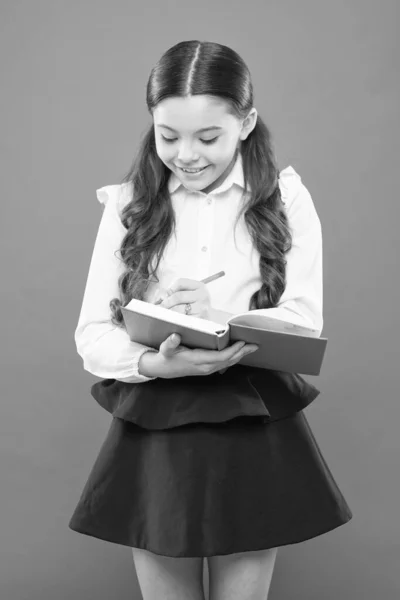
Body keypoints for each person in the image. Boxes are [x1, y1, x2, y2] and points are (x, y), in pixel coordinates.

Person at [68, 40, 352, 600]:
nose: (187, 155)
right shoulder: (128, 205)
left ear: (246, 122)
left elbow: (303, 323)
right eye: (168, 136)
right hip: (157, 415)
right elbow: (91, 338)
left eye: (209, 137)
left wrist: (219, 315)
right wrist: (155, 361)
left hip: (250, 415)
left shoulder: (284, 198)